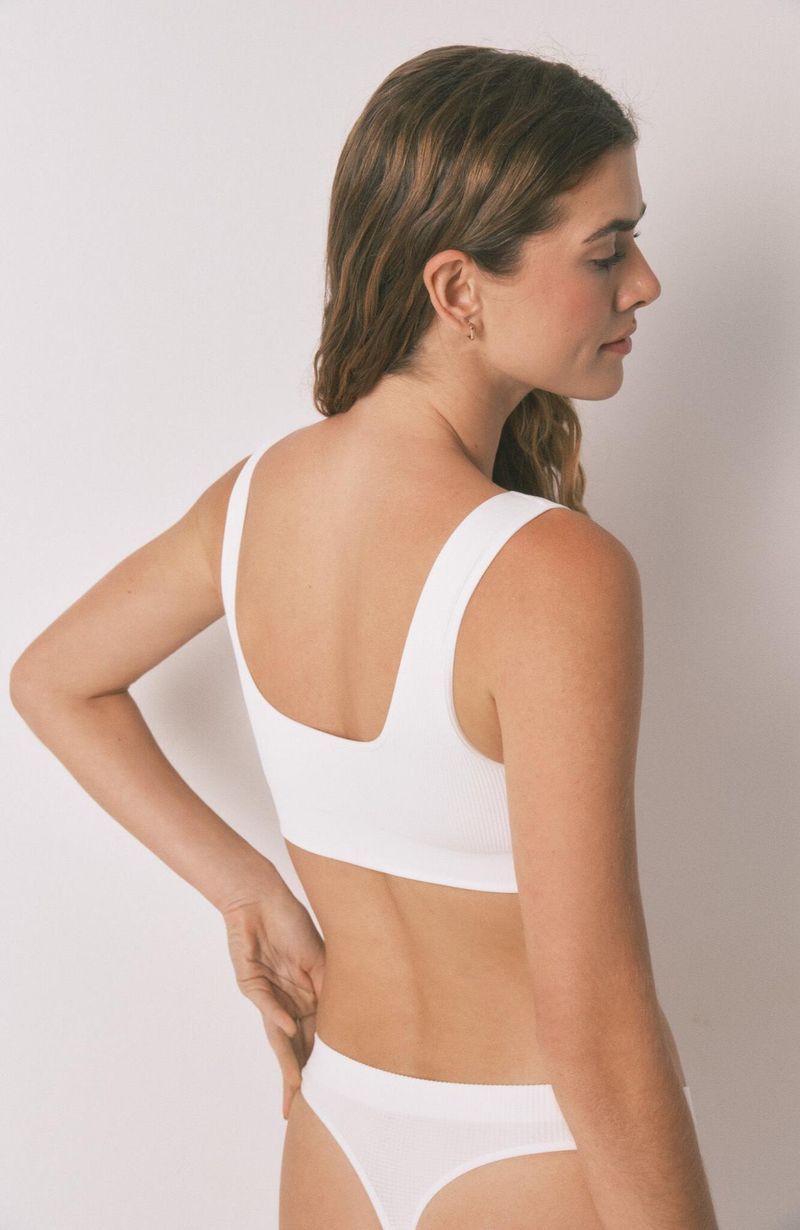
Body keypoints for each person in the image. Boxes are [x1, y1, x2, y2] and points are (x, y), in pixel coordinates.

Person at [10, 43, 720, 1230]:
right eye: (605, 251)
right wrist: (246, 888)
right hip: (527, 1156)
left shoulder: (255, 502)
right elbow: (595, 1027)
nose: (641, 284)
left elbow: (52, 680)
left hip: (339, 1130)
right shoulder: (552, 574)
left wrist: (247, 891)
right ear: (457, 289)